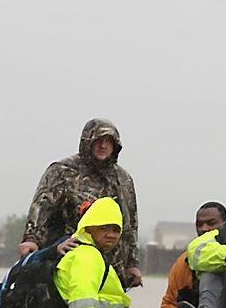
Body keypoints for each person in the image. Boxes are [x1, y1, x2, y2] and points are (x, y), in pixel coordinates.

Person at [19, 118, 142, 288]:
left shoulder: (123, 179)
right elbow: (41, 209)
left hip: (112, 269)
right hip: (71, 263)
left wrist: (132, 263)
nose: (103, 146)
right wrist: (31, 240)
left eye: (108, 141)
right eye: (98, 140)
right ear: (87, 142)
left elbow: (130, 224)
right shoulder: (63, 171)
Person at [54, 197, 157, 308]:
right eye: (103, 228)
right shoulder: (87, 257)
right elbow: (83, 302)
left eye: (116, 230)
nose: (111, 235)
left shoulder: (92, 254)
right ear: (88, 228)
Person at [158, 202, 226, 308]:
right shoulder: (183, 263)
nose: (204, 229)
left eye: (211, 223)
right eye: (199, 225)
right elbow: (168, 307)